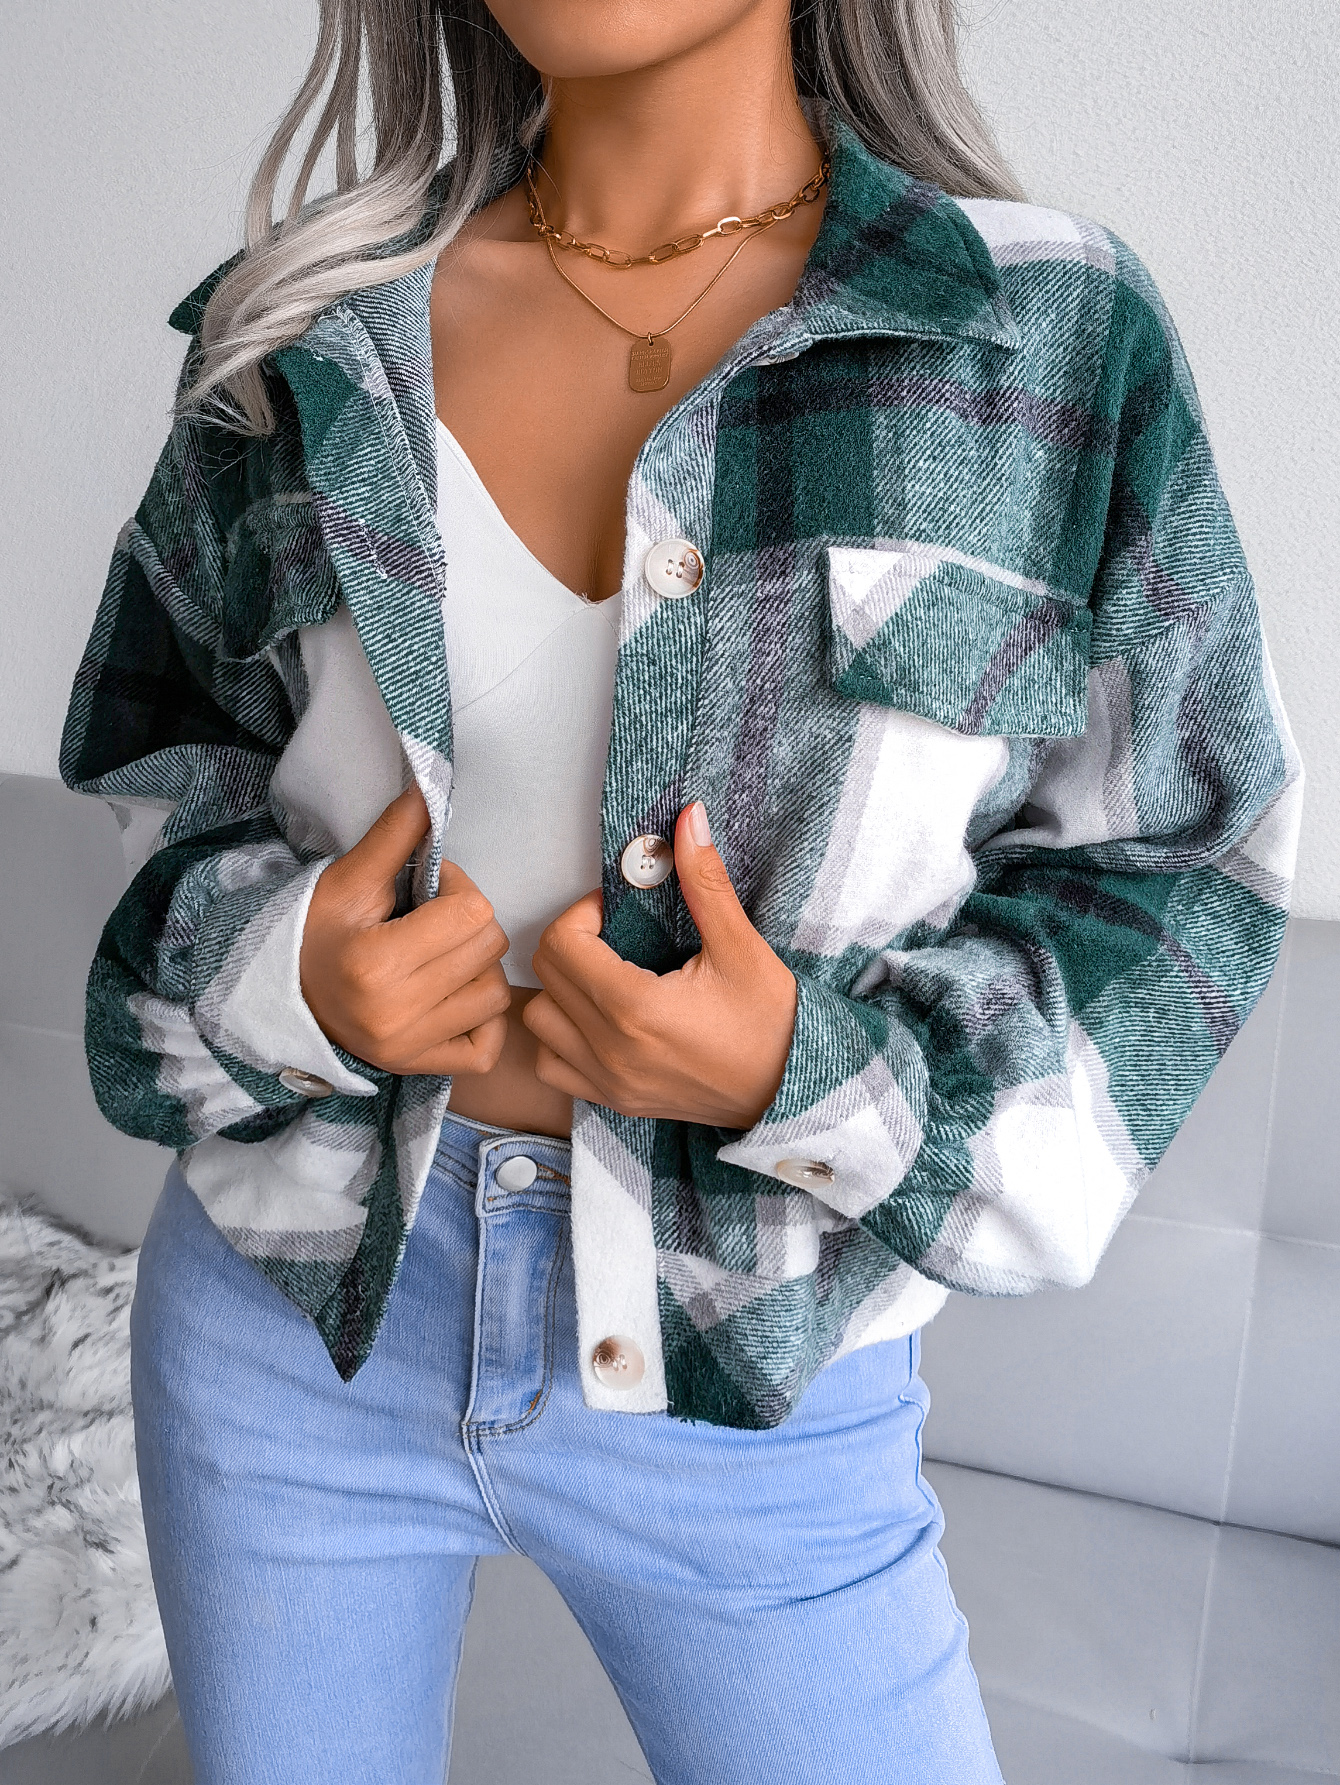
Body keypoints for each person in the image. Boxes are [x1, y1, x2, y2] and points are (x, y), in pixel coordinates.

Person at [58, 0, 1303, 1780]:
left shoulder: (1047, 339)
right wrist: (290, 977)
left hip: (756, 1370)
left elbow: (1177, 858)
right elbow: (159, 754)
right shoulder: (306, 333)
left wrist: (808, 1074)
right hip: (291, 1320)